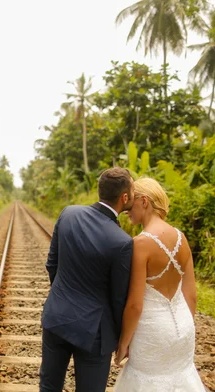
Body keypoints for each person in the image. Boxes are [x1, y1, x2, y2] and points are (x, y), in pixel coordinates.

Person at [40, 167, 135, 392]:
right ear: (124, 198)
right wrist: (120, 339)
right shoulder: (122, 241)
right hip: (94, 332)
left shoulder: (69, 213)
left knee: (48, 387)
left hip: (56, 316)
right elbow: (118, 297)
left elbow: (51, 264)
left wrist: (64, 296)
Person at [113, 177, 206, 391]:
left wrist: (123, 344)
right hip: (183, 327)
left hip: (152, 332)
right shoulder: (182, 239)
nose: (127, 209)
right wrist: (183, 329)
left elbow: (135, 305)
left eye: (132, 202)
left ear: (144, 201)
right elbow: (191, 295)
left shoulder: (141, 243)